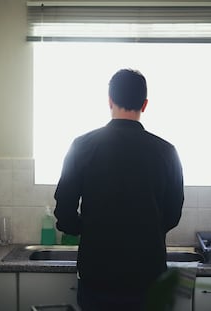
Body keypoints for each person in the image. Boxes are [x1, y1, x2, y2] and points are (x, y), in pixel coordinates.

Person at [54, 68, 184, 311]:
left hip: (98, 275)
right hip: (149, 276)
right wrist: (145, 230)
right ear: (144, 105)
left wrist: (90, 228)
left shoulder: (82, 146)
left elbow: (64, 214)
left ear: (109, 101)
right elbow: (173, 215)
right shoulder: (167, 151)